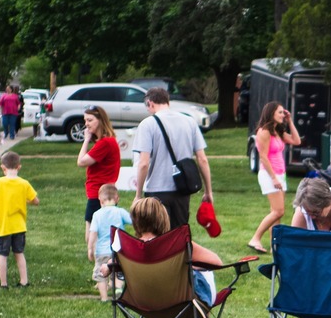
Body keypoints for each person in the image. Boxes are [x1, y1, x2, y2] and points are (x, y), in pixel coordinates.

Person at [132, 86, 212, 230]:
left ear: (150, 103)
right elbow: (202, 159)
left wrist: (138, 195)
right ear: (167, 101)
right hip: (182, 189)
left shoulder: (147, 124)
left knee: (158, 236)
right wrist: (208, 191)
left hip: (156, 190)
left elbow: (143, 163)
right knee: (180, 235)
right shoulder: (190, 121)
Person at [128, 197, 222, 306]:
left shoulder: (129, 247)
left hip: (145, 302)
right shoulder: (178, 243)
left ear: (135, 221)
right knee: (204, 272)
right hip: (182, 304)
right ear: (163, 219)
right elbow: (217, 262)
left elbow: (110, 265)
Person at [246, 101, 301, 253]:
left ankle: (274, 246)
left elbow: (297, 141)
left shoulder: (278, 131)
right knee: (278, 211)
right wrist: (274, 178)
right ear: (271, 113)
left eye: (283, 112)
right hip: (269, 175)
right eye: (280, 112)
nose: (283, 115)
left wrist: (290, 121)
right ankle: (255, 238)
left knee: (276, 213)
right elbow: (263, 157)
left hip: (280, 174)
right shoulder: (264, 132)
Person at [0, 151, 39, 288]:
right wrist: (26, 200)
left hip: (3, 226)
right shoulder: (24, 184)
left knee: (2, 254)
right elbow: (35, 201)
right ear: (19, 167)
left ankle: (3, 283)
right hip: (19, 225)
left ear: (3, 168)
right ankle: (24, 281)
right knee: (19, 253)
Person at [75, 105, 121, 254]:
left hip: (99, 193)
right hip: (103, 191)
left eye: (90, 120)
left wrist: (86, 139)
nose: (86, 124)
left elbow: (81, 161)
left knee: (92, 228)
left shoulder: (105, 143)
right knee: (104, 229)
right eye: (85, 120)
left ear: (101, 120)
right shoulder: (107, 141)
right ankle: (103, 259)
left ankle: (96, 261)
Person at [87, 183, 133, 301]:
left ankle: (104, 297)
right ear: (117, 199)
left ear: (100, 200)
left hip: (101, 251)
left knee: (100, 274)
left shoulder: (96, 214)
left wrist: (90, 248)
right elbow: (133, 221)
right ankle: (118, 289)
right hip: (118, 249)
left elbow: (93, 233)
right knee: (118, 270)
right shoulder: (120, 212)